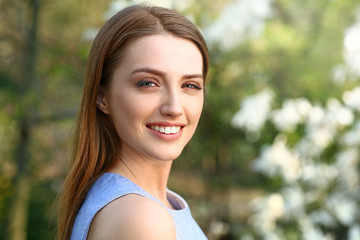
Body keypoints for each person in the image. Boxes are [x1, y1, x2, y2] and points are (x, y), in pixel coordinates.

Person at [56, 4, 209, 240]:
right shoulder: (141, 218)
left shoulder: (154, 202)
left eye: (190, 85)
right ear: (102, 97)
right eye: (148, 83)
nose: (174, 108)